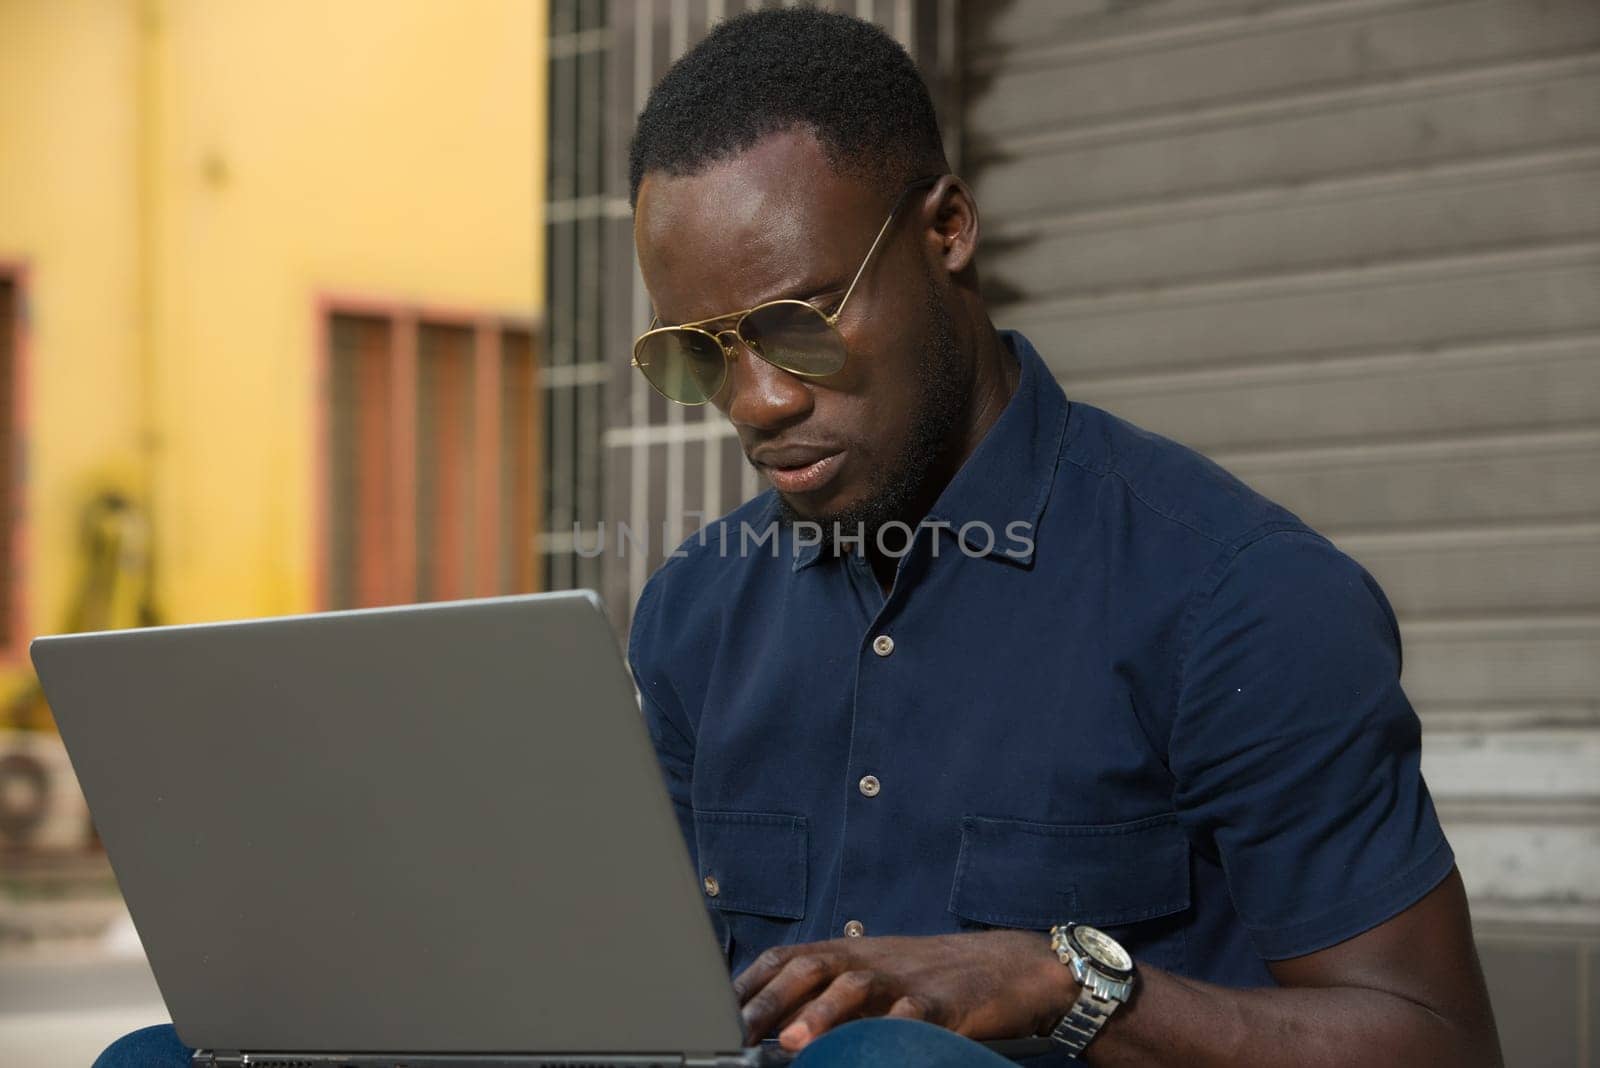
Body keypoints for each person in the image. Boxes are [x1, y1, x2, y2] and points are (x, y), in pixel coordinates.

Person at [97, 8, 1501, 1067]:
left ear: (947, 229)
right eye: (703, 354)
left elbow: (1433, 1040)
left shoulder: (1238, 598)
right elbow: (639, 990)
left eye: (795, 325)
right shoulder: (697, 612)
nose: (758, 403)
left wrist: (1060, 981)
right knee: (161, 1057)